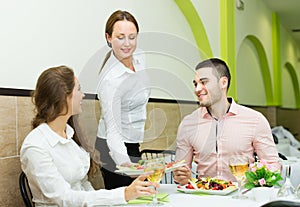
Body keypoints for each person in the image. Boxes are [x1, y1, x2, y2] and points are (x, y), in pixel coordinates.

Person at [20, 66, 158, 206]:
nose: (83, 95)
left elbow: (84, 185)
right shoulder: (36, 145)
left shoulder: (69, 135)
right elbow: (63, 198)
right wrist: (123, 194)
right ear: (63, 97)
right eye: (78, 89)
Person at [173, 58, 281, 185]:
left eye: (203, 82)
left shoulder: (255, 120)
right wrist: (181, 177)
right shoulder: (188, 124)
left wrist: (257, 181)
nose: (197, 89)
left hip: (243, 198)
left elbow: (273, 166)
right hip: (203, 198)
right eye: (195, 84)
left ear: (223, 83)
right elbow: (179, 172)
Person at [95, 10, 150, 189]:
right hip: (113, 149)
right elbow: (113, 132)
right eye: (120, 37)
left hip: (132, 143)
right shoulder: (111, 80)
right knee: (129, 196)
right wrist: (127, 166)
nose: (127, 44)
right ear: (108, 38)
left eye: (132, 37)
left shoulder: (140, 57)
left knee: (143, 195)